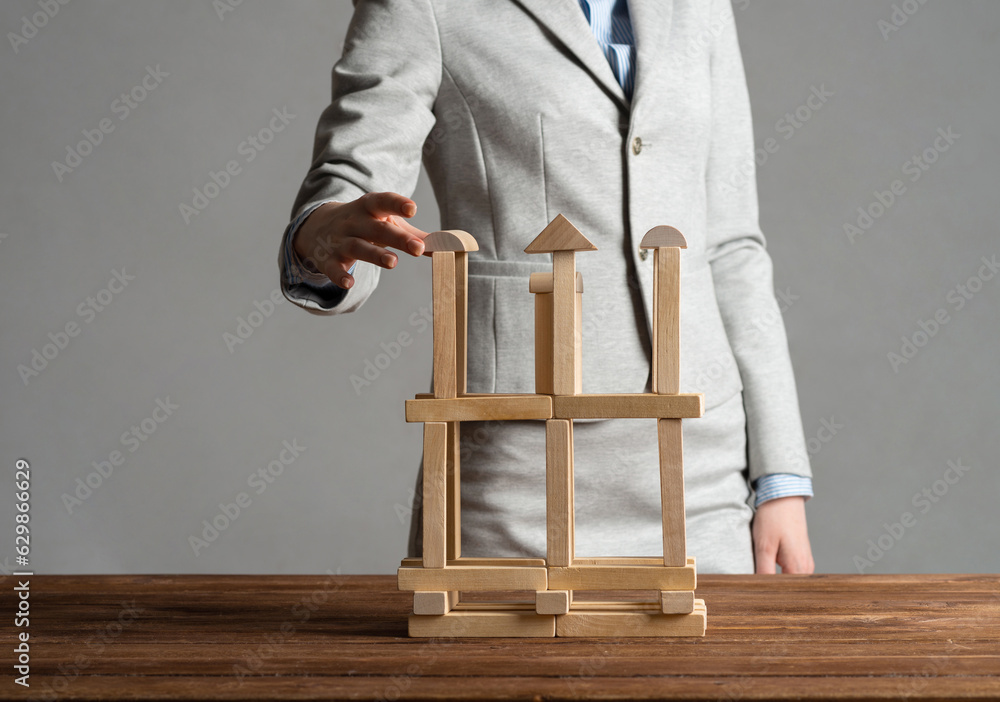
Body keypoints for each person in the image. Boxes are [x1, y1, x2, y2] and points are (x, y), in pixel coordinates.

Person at [278, 0, 815, 574]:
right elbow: (353, 180)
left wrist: (779, 477)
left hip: (700, 463)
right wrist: (322, 237)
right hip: (520, 457)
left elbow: (732, 246)